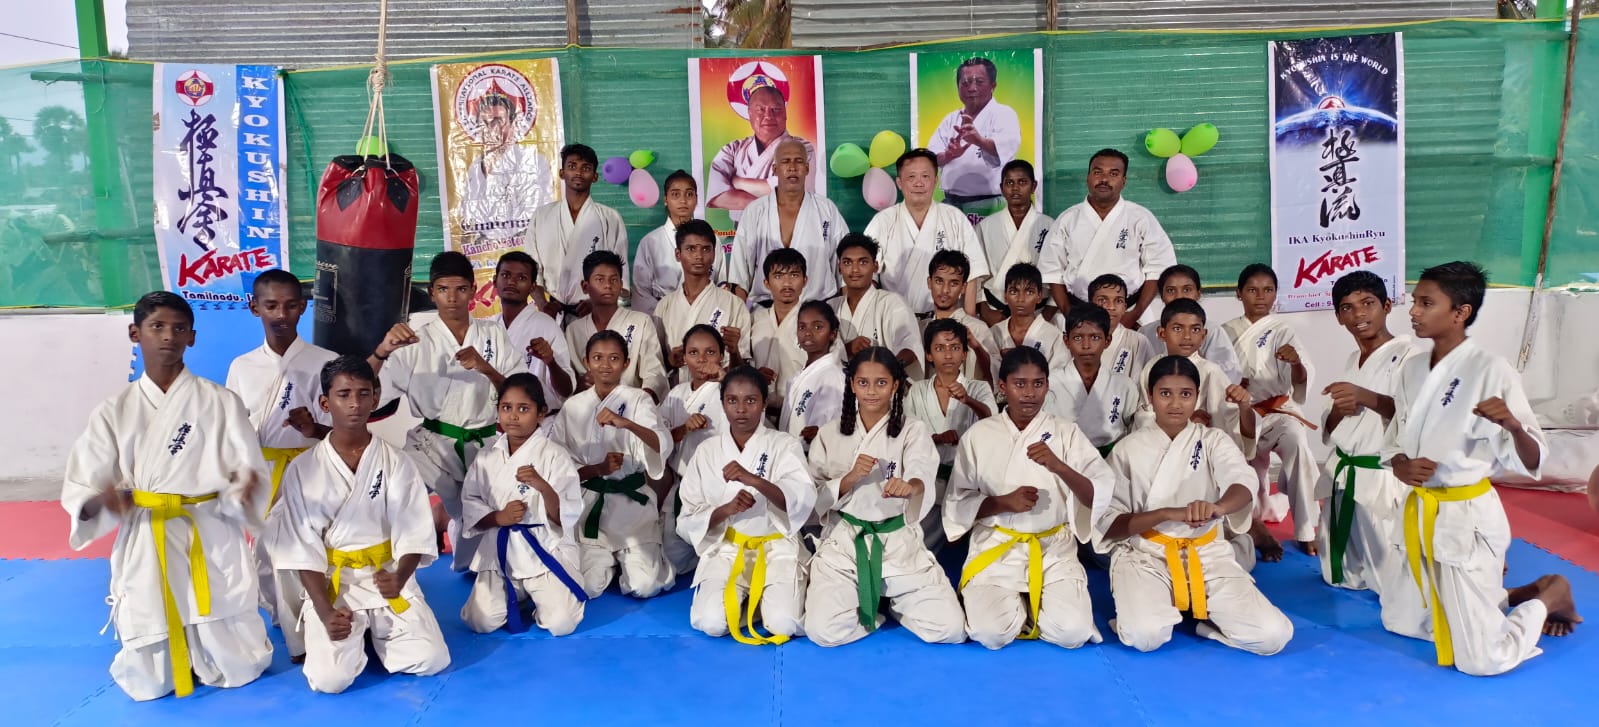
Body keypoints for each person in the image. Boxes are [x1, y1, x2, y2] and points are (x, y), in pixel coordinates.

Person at [61, 291, 272, 701]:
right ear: (135, 333)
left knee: (237, 662)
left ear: (192, 337)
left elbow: (249, 469)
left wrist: (242, 490)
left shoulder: (220, 401)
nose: (168, 337)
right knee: (150, 672)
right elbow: (85, 482)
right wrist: (100, 502)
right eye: (157, 326)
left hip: (207, 524)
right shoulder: (113, 410)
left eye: (179, 328)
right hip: (148, 528)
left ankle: (217, 653)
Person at [1380, 261, 1580, 676]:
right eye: (1415, 302)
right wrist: (1400, 464)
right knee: (1403, 622)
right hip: (1419, 508)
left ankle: (1550, 595)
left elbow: (1533, 459)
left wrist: (1513, 425)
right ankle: (1511, 595)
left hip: (1464, 515)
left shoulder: (1491, 369)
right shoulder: (1411, 368)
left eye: (1426, 303)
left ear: (1460, 312)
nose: (1413, 312)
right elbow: (1397, 435)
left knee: (1482, 660)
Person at [266, 356, 450, 693]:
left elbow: (414, 531)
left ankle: (375, 635)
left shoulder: (397, 462)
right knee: (330, 680)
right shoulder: (303, 470)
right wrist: (325, 612)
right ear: (325, 403)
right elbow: (302, 549)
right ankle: (358, 634)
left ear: (375, 399)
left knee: (431, 659)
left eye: (364, 394)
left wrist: (400, 578)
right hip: (335, 585)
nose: (355, 403)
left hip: (386, 576)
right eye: (344, 394)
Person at [1099, 355, 1294, 655]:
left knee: (1273, 635)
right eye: (1165, 393)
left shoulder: (1213, 440)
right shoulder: (1128, 449)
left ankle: (1205, 622)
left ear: (1197, 397)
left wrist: (1219, 508)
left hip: (1206, 553)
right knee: (1145, 636)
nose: (1176, 404)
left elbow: (1243, 483)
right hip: (1147, 555)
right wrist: (1165, 514)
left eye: (1186, 394)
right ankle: (1161, 609)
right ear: (1150, 396)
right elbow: (1111, 522)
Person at [946, 346, 1112, 649]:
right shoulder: (979, 435)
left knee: (1073, 633)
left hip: (1053, 548)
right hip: (997, 545)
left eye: (1038, 384)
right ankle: (1021, 604)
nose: (1029, 393)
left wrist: (1059, 466)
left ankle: (1031, 604)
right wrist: (1002, 503)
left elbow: (1097, 494)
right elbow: (957, 500)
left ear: (1047, 386)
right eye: (1019, 384)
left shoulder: (1066, 433)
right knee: (991, 633)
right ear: (1002, 386)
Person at [369, 251, 524, 572]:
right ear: (432, 293)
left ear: (473, 290)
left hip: (483, 446)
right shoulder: (416, 341)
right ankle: (383, 572)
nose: (452, 298)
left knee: (476, 551)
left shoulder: (493, 335)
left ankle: (462, 547)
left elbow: (520, 393)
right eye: (443, 289)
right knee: (393, 492)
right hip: (431, 445)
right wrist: (381, 352)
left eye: (461, 289)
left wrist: (485, 368)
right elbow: (371, 395)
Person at [804, 347, 967, 647]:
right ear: (852, 384)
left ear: (895, 386)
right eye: (863, 382)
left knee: (950, 628)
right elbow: (813, 496)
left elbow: (921, 469)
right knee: (822, 631)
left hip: (898, 545)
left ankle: (892, 602)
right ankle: (874, 610)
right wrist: (849, 478)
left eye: (881, 383)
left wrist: (912, 486)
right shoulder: (829, 433)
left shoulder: (912, 430)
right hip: (845, 543)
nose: (871, 391)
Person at [225, 269, 337, 663]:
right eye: (271, 305)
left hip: (312, 466)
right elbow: (235, 426)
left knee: (308, 548)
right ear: (254, 307)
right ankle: (283, 614)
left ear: (303, 308)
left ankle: (306, 630)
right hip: (264, 469)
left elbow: (344, 423)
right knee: (267, 555)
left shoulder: (325, 361)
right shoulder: (242, 366)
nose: (281, 314)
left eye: (290, 305)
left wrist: (315, 427)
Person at [677, 366, 816, 644]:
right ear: (723, 404)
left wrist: (754, 479)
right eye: (732, 400)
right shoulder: (706, 451)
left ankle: (763, 601)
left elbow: (801, 499)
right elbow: (688, 515)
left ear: (764, 404)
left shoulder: (783, 444)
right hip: (727, 548)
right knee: (711, 623)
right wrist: (726, 509)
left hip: (776, 547)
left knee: (783, 624)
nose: (741, 409)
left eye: (750, 400)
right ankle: (753, 601)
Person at [548, 331, 676, 599]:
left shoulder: (639, 399)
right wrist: (597, 470)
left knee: (644, 586)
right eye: (597, 358)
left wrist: (626, 423)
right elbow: (557, 463)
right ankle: (610, 561)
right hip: (591, 506)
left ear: (626, 363)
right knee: (587, 586)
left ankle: (636, 559)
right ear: (586, 362)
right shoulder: (573, 406)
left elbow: (661, 443)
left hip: (633, 510)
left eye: (614, 358)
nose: (605, 365)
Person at [459, 373, 588, 636]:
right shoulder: (486, 456)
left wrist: (543, 486)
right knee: (480, 621)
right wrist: (498, 517)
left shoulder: (554, 455)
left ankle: (545, 593)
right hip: (501, 551)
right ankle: (518, 594)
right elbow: (470, 502)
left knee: (561, 623)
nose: (513, 416)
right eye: (506, 408)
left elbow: (565, 516)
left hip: (543, 549)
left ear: (541, 414)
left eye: (523, 409)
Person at [1316, 270, 1418, 592]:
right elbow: (1334, 426)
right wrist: (1339, 409)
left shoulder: (1411, 358)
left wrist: (1367, 398)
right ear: (1339, 317)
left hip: (1382, 478)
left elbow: (1416, 419)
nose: (1358, 314)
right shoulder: (1353, 360)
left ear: (1386, 306)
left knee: (1394, 586)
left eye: (1367, 303)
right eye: (1347, 307)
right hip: (1346, 473)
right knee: (1339, 575)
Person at [1221, 263, 1321, 556]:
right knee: (1233, 466)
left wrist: (1296, 362)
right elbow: (1213, 375)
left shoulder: (1283, 331)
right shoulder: (1224, 332)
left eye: (1268, 290)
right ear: (1239, 293)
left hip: (1277, 411)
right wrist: (1232, 384)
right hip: (1239, 414)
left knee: (1297, 442)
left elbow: (1300, 380)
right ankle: (1248, 525)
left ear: (1276, 294)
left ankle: (1306, 530)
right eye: (1252, 290)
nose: (1260, 296)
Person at [1039, 149, 1175, 324]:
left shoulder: (1140, 218)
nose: (1104, 179)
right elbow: (1052, 272)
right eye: (1098, 172)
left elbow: (1158, 269)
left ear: (1124, 181)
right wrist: (1069, 313)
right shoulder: (1067, 219)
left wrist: (1135, 314)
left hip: (1130, 310)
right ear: (1088, 177)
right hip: (1079, 310)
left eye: (1114, 174)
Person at [904, 318, 996, 547]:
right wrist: (936, 438)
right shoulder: (917, 390)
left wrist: (968, 400)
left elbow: (992, 424)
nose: (948, 355)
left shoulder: (978, 388)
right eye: (939, 348)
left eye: (955, 348)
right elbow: (907, 434)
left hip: (968, 484)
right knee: (922, 545)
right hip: (930, 481)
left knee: (972, 548)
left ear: (964, 354)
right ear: (928, 355)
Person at [865, 149, 990, 316]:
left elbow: (973, 274)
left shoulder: (954, 217)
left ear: (935, 181)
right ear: (899, 182)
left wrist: (969, 319)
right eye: (911, 177)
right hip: (895, 317)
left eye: (925, 176)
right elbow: (868, 275)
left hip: (948, 318)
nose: (919, 183)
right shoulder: (883, 221)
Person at [727, 139, 848, 305]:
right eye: (785, 161)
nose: (792, 167)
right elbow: (740, 272)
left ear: (807, 168)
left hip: (818, 308)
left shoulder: (826, 209)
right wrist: (738, 314)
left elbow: (845, 263)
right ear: (775, 169)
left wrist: (847, 311)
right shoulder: (755, 211)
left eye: (798, 161)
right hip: (766, 309)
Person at [661, 325, 733, 575]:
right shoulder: (676, 394)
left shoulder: (730, 391)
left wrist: (725, 379)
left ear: (721, 356)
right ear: (684, 358)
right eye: (693, 352)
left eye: (710, 352)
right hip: (683, 486)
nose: (702, 359)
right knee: (672, 563)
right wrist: (683, 429)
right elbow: (658, 441)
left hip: (719, 489)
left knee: (722, 562)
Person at [527, 143, 628, 317]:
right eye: (572, 166)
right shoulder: (541, 216)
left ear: (595, 176)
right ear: (562, 173)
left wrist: (594, 302)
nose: (579, 173)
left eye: (586, 168)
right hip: (552, 311)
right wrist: (543, 305)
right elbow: (531, 269)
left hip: (596, 311)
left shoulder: (610, 218)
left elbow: (621, 274)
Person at [566, 251, 670, 402]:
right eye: (600, 279)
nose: (608, 285)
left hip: (631, 407)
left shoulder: (641, 322)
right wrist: (580, 385)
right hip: (587, 408)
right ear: (585, 286)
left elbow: (654, 373)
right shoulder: (573, 330)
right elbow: (567, 380)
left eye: (614, 279)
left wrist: (640, 403)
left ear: (621, 285)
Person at [460, 90, 554, 251]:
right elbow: (468, 220)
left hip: (523, 250)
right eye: (485, 123)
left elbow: (540, 216)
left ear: (513, 124)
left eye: (499, 121)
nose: (493, 129)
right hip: (483, 253)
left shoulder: (533, 162)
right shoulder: (473, 169)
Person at [654, 219, 754, 370]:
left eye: (706, 249)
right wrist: (670, 362)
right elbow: (654, 364)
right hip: (676, 385)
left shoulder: (734, 304)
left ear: (714, 254)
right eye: (691, 249)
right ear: (678, 254)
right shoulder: (664, 306)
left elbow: (743, 370)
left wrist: (734, 352)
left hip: (720, 384)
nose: (699, 256)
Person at [928, 57, 1023, 213]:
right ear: (958, 87)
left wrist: (979, 141)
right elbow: (931, 158)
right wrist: (948, 155)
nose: (972, 88)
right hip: (950, 204)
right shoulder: (950, 119)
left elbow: (1005, 148)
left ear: (993, 86)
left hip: (989, 203)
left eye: (979, 82)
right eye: (965, 83)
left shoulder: (1004, 114)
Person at [708, 85, 817, 214]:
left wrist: (738, 182)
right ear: (750, 114)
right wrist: (772, 207)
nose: (768, 116)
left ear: (785, 114)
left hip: (790, 225)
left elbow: (791, 191)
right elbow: (717, 196)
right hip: (743, 226)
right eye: (760, 110)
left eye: (776, 109)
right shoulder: (732, 150)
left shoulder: (803, 148)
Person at [490, 251, 574, 411]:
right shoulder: (488, 327)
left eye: (521, 278)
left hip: (540, 419)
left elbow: (566, 390)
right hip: (497, 420)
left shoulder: (546, 325)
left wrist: (550, 362)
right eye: (506, 275)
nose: (512, 282)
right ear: (495, 280)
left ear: (533, 286)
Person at [830, 234, 924, 377]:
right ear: (839, 268)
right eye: (847, 262)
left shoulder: (892, 303)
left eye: (863, 262)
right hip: (836, 387)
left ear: (875, 266)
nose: (855, 270)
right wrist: (847, 349)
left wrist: (884, 371)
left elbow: (911, 346)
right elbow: (817, 353)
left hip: (882, 386)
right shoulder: (830, 308)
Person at [1055, 304, 1139, 457]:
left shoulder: (1124, 385)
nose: (1086, 346)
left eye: (1095, 337)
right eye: (1078, 337)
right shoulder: (1051, 383)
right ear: (1066, 340)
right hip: (1062, 459)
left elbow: (1134, 431)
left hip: (1112, 461)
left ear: (1107, 340)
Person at [1138, 264, 1244, 385]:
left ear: (1198, 294)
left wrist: (1198, 361)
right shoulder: (1145, 332)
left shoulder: (1213, 330)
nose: (1179, 296)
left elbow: (1229, 377)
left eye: (1187, 290)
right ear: (1162, 296)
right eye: (1171, 290)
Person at [976, 160, 1053, 323]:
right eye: (1009, 183)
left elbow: (1058, 276)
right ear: (1002, 188)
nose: (1015, 188)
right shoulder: (985, 226)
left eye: (1022, 182)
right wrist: (985, 311)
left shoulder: (1050, 226)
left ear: (1033, 186)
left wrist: (1046, 315)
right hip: (995, 310)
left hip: (1039, 312)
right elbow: (975, 274)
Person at [986, 263, 1070, 386]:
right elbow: (988, 376)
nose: (1021, 299)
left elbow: (1058, 381)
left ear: (1039, 296)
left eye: (1029, 292)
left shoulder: (1054, 336)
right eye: (1014, 292)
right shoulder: (994, 333)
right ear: (1005, 296)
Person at [749, 248, 811, 413]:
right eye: (778, 276)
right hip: (760, 410)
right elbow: (743, 362)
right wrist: (754, 375)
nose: (787, 283)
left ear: (805, 280)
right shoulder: (755, 318)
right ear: (766, 283)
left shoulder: (815, 321)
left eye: (794, 275)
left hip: (801, 408)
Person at [780, 301, 846, 448]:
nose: (808, 333)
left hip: (812, 456)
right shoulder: (803, 373)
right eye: (802, 327)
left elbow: (827, 429)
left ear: (833, 334)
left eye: (817, 327)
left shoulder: (832, 376)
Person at [632, 170, 699, 315]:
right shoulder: (650, 242)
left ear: (696, 199)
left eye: (689, 194)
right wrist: (667, 315)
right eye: (675, 194)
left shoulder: (710, 240)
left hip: (703, 313)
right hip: (662, 315)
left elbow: (720, 285)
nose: (683, 200)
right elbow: (641, 292)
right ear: (665, 200)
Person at [921, 249, 992, 382]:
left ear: (963, 287)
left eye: (953, 283)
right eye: (939, 281)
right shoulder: (920, 328)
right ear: (929, 282)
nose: (945, 290)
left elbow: (996, 372)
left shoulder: (977, 328)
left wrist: (976, 346)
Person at [1088, 274, 1156, 380]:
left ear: (1124, 307)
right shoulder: (1077, 338)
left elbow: (1149, 382)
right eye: (1103, 300)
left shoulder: (1138, 342)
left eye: (1118, 301)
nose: (1111, 307)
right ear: (1090, 304)